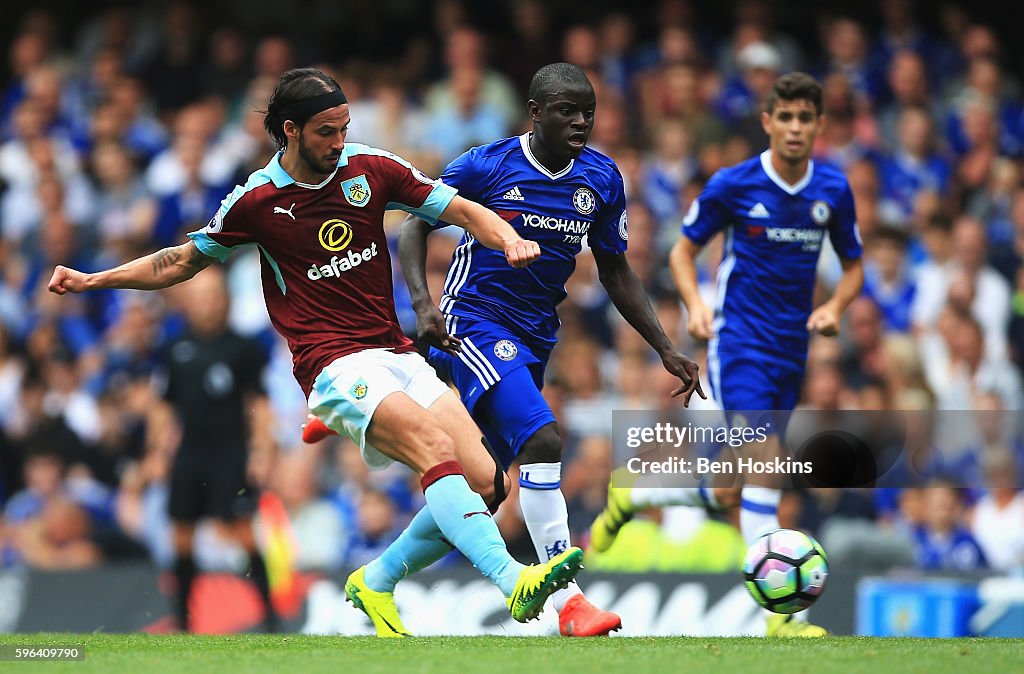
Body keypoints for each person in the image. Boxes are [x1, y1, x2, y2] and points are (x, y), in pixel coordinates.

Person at [48, 67, 584, 635]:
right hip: (332, 364)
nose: (339, 141)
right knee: (432, 446)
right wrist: (92, 280)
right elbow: (180, 261)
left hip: (395, 353)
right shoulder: (257, 200)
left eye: (344, 127)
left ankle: (376, 580)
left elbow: (458, 210)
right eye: (327, 131)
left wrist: (508, 237)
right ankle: (513, 581)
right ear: (291, 131)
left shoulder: (370, 169)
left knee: (490, 480)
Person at [305, 62, 705, 637]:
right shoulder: (487, 164)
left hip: (535, 335)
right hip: (474, 323)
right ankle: (569, 600)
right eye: (566, 110)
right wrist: (424, 305)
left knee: (485, 487)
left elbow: (615, 269)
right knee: (543, 437)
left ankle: (377, 577)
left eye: (587, 111)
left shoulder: (602, 179)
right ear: (536, 112)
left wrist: (665, 347)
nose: (580, 122)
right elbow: (415, 225)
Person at [590, 72, 864, 637]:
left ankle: (634, 493)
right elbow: (682, 252)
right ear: (767, 122)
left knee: (727, 487)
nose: (793, 128)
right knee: (766, 462)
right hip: (739, 344)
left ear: (818, 125)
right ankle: (781, 619)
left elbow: (855, 264)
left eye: (804, 118)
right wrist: (694, 305)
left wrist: (836, 305)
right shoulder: (734, 184)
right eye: (784, 117)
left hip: (792, 350)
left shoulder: (832, 191)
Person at [157, 266, 277, 632]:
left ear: (224, 300)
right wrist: (159, 452)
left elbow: (259, 403)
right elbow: (166, 406)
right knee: (181, 532)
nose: (207, 304)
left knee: (241, 529)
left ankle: (270, 615)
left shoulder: (243, 348)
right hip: (190, 451)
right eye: (199, 297)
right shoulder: (175, 349)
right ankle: (182, 619)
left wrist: (261, 450)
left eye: (213, 296)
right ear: (189, 304)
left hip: (230, 451)